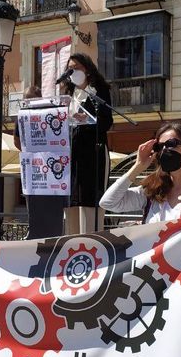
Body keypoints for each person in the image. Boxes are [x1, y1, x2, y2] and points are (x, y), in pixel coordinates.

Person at [100, 123, 181, 224]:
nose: (165, 151)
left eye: (171, 144)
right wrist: (138, 166)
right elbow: (108, 203)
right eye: (160, 147)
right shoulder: (152, 190)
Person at [63, 53, 113, 234]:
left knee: (89, 200)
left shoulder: (99, 90)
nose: (72, 71)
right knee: (73, 201)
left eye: (76, 67)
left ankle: (92, 244)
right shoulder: (69, 94)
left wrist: (89, 118)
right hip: (72, 155)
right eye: (70, 69)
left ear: (87, 69)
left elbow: (107, 122)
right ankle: (72, 244)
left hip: (93, 153)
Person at [14, 85, 67, 239]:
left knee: (52, 213)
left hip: (53, 173)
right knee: (36, 212)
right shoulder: (23, 115)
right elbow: (17, 140)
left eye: (29, 98)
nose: (27, 102)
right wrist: (31, 152)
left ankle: (52, 238)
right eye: (26, 99)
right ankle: (37, 237)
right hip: (35, 172)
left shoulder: (53, 114)